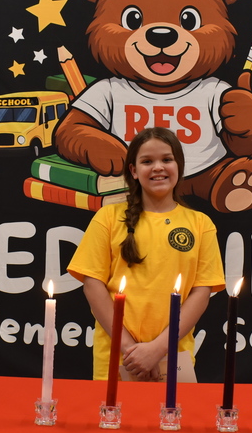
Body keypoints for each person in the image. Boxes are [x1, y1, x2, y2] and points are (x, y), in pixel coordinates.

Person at [67, 127, 226, 381]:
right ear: (133, 170)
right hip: (118, 358)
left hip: (174, 358)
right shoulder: (108, 217)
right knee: (114, 420)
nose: (158, 168)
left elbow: (202, 291)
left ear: (179, 166)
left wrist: (157, 349)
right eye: (147, 161)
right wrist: (132, 351)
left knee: (169, 421)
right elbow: (92, 285)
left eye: (166, 159)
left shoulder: (200, 223)